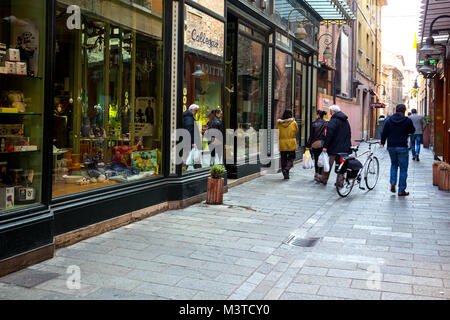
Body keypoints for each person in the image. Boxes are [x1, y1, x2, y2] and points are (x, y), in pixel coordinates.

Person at [380, 104, 415, 196]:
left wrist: (383, 142)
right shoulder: (407, 120)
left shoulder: (389, 120)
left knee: (394, 165)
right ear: (404, 111)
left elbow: (384, 132)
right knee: (403, 168)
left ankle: (393, 182)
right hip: (402, 146)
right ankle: (401, 190)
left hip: (391, 146)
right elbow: (412, 131)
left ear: (396, 110)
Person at [319, 105, 352, 186]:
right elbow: (349, 134)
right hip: (344, 149)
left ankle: (324, 179)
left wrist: (325, 146)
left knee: (328, 164)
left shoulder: (333, 121)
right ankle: (340, 182)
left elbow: (329, 135)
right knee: (341, 166)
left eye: (330, 111)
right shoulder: (346, 121)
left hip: (333, 148)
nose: (330, 113)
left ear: (333, 111)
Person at [306, 110, 328, 182]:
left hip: (315, 144)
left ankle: (316, 174)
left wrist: (308, 145)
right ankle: (320, 174)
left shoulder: (314, 123)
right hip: (323, 143)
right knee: (321, 159)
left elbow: (311, 136)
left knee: (316, 159)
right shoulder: (326, 123)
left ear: (318, 115)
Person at [276, 109, 298, 180]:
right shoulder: (293, 123)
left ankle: (285, 174)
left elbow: (277, 132)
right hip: (291, 143)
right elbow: (296, 131)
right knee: (292, 157)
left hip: (282, 143)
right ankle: (287, 168)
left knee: (283, 159)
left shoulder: (279, 123)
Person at [183, 104, 201, 169]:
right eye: (196, 110)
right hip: (190, 143)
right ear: (191, 110)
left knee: (194, 159)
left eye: (197, 111)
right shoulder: (189, 119)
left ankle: (199, 173)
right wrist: (192, 143)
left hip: (190, 143)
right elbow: (189, 132)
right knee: (187, 159)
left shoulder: (189, 117)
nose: (196, 112)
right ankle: (199, 174)